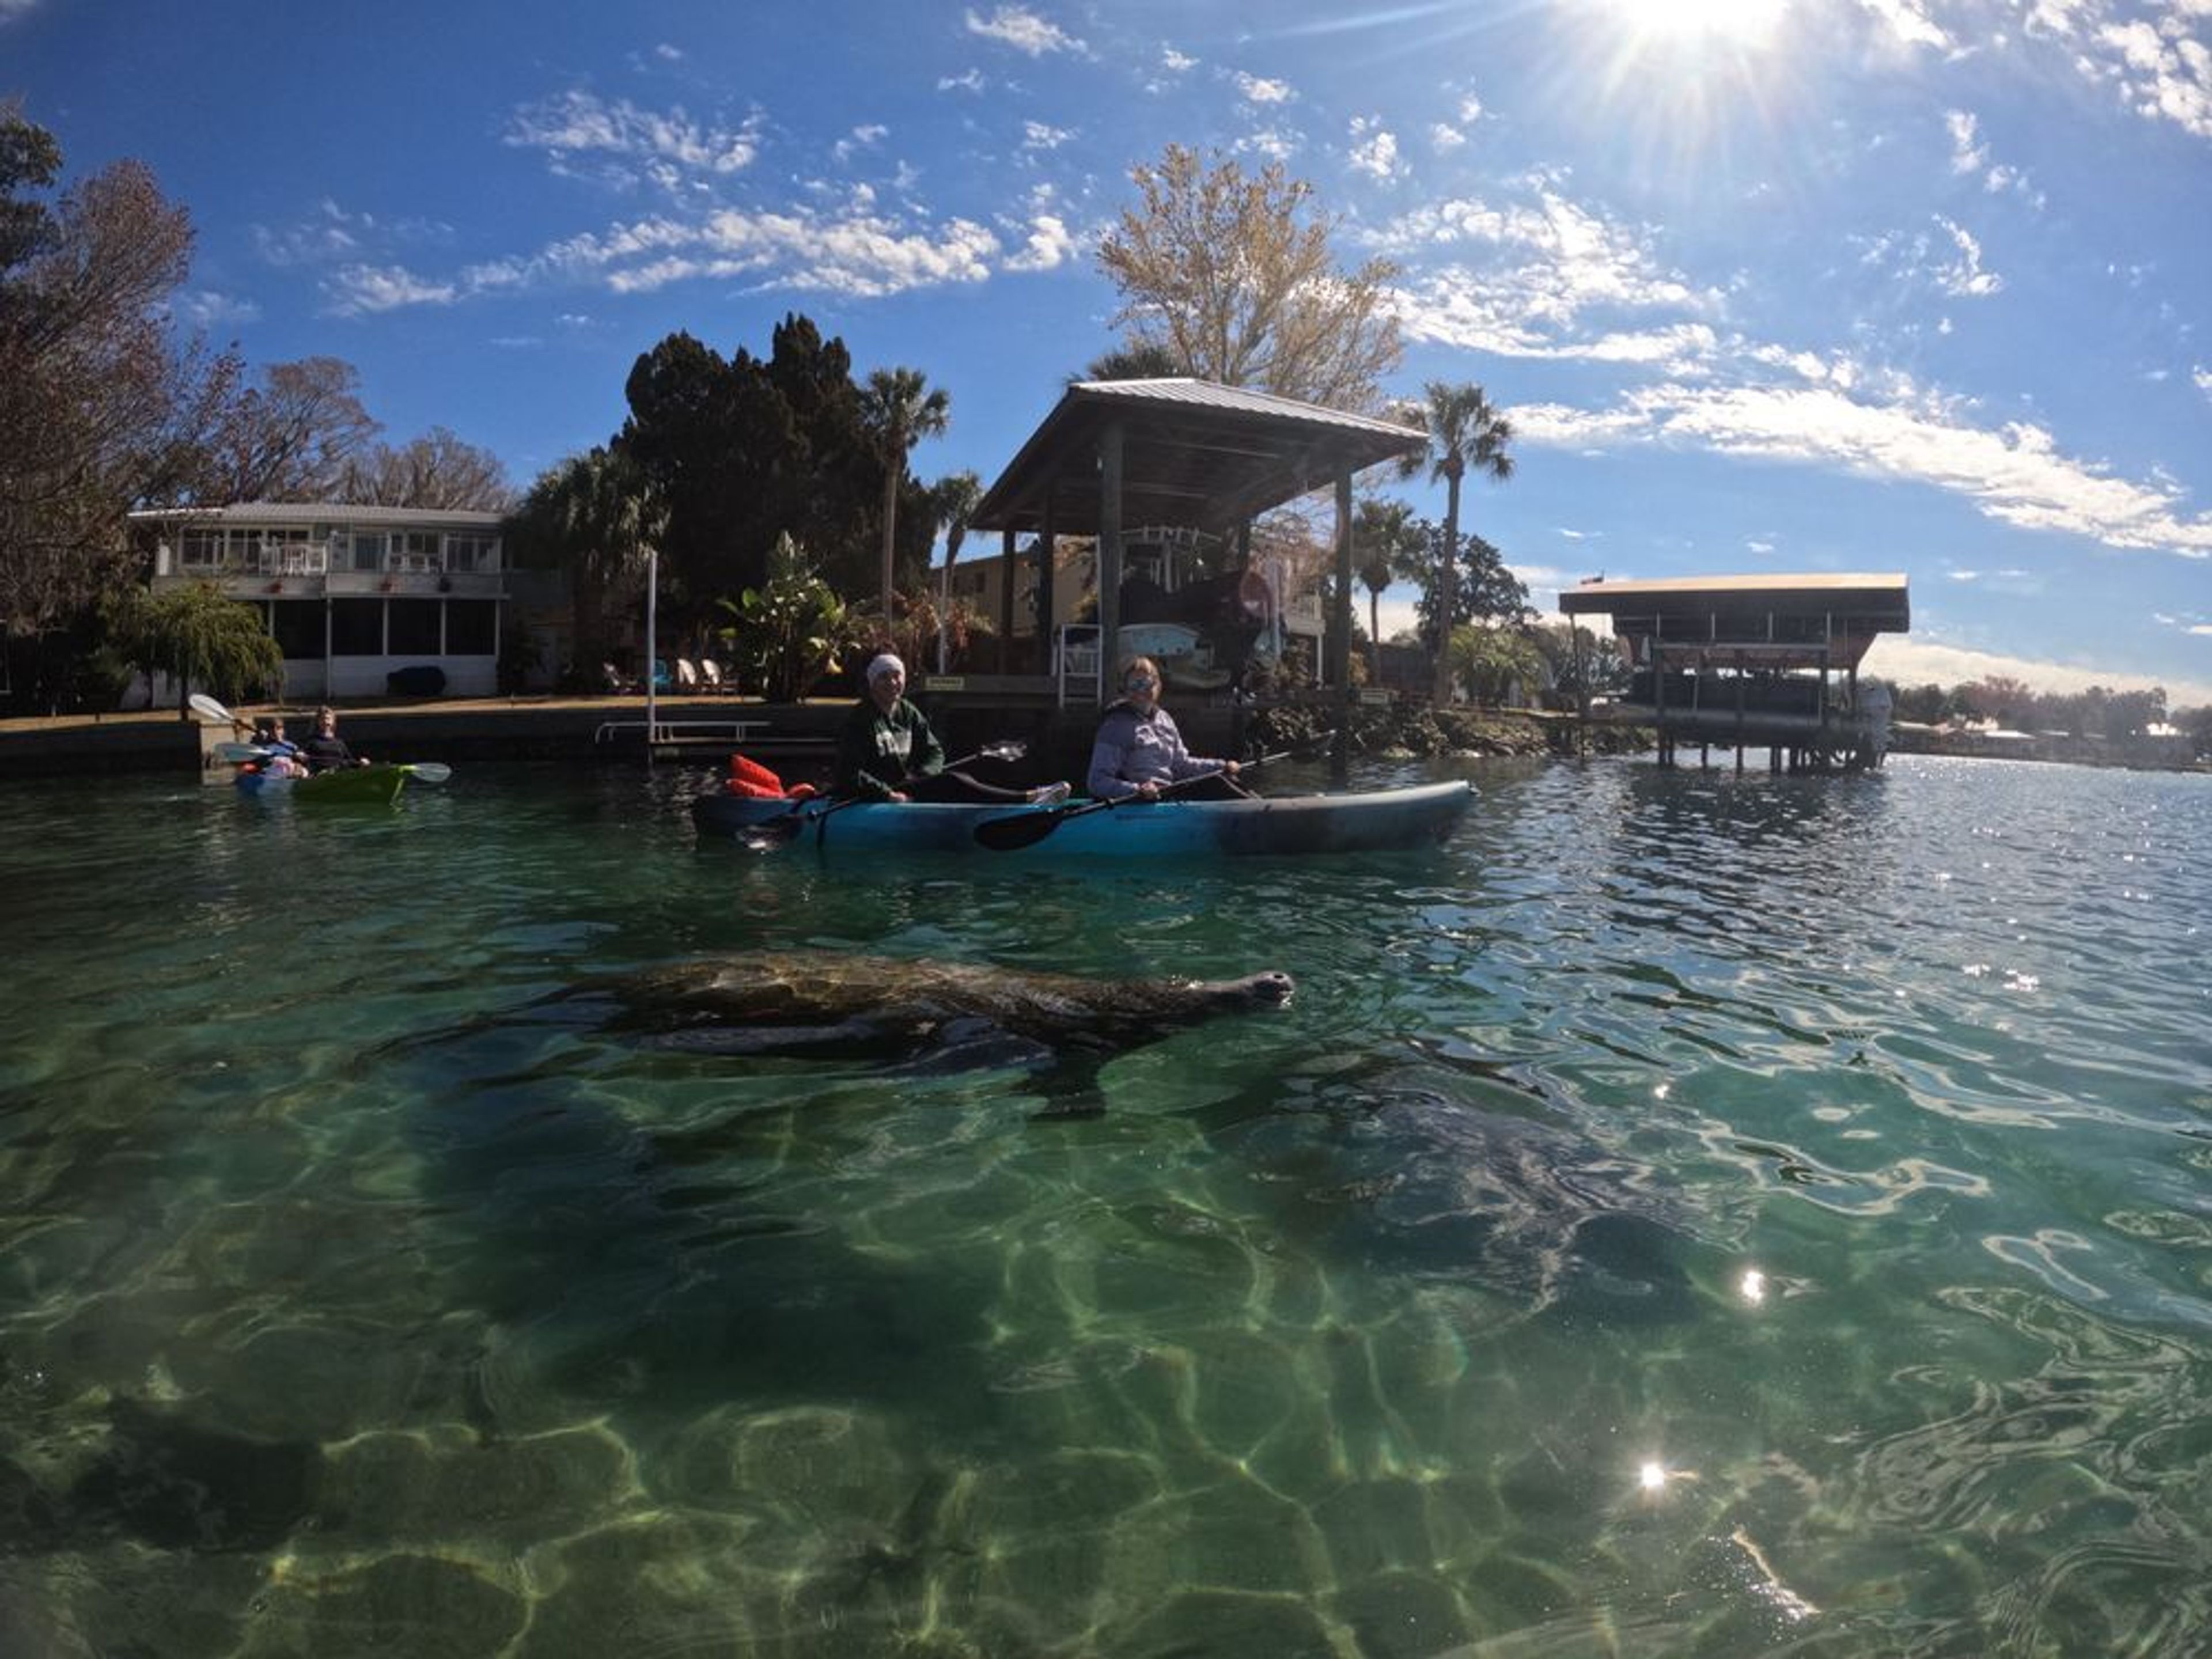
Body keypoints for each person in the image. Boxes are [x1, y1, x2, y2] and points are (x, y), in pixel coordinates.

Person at [834, 653, 1065, 804]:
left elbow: (935, 752)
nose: (893, 683)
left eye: (897, 676)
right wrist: (887, 795)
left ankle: (1022, 799)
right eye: (884, 677)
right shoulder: (860, 719)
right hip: (873, 797)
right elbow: (850, 772)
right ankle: (1026, 798)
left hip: (905, 788)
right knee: (953, 781)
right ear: (872, 683)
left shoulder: (908, 712)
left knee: (960, 777)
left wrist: (925, 774)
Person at [1088, 655, 1248, 802]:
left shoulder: (1164, 719)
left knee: (1221, 779)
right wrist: (1137, 790)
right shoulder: (1116, 727)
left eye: (1147, 684)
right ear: (1125, 688)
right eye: (1135, 684)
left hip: (1169, 794)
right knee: (1216, 785)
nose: (1141, 690)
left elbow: (1181, 765)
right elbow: (1097, 781)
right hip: (1141, 802)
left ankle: (1259, 807)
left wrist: (1221, 766)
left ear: (1158, 686)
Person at [298, 705, 368, 771]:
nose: (325, 722)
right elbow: (300, 753)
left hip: (338, 773)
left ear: (333, 722)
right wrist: (300, 755)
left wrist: (361, 762)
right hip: (319, 773)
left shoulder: (340, 743)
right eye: (322, 719)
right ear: (318, 722)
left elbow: (350, 761)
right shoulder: (312, 741)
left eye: (328, 719)